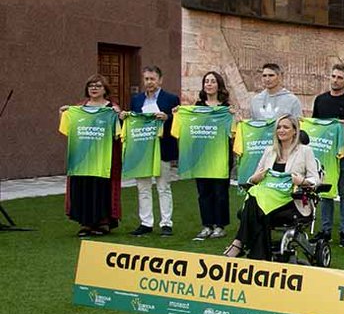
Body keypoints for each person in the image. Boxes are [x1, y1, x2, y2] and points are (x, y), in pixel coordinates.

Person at [223, 114, 321, 260]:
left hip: (290, 198)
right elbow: (254, 178)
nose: (281, 130)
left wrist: (302, 181)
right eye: (279, 127)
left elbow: (315, 180)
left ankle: (239, 243)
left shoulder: (305, 151)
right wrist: (255, 178)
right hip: (266, 197)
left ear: (295, 131)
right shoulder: (270, 151)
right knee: (257, 198)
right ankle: (259, 256)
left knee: (255, 199)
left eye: (286, 127)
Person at [61, 75, 123, 236]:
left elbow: (118, 134)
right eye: (91, 86)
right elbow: (68, 130)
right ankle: (86, 223)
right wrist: (64, 114)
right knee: (83, 188)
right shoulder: (78, 108)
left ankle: (103, 223)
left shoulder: (111, 108)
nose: (94, 88)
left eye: (98, 86)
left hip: (103, 158)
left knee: (101, 188)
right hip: (81, 159)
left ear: (105, 89)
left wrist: (118, 116)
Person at [312, 63, 344, 248]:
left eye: (340, 77)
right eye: (333, 76)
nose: (335, 80)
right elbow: (315, 125)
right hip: (324, 154)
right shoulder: (320, 100)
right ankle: (325, 230)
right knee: (325, 192)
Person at [125, 66, 180, 237]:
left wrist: (168, 117)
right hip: (142, 150)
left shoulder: (171, 99)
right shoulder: (136, 100)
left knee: (163, 187)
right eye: (146, 79)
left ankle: (166, 223)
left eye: (152, 79)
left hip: (162, 149)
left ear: (160, 80)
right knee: (143, 187)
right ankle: (146, 223)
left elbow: (179, 121)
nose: (149, 82)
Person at [193, 71, 232, 241]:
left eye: (212, 81)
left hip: (221, 155)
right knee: (204, 192)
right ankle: (207, 225)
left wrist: (234, 115)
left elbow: (232, 131)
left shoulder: (226, 108)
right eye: (206, 81)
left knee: (220, 192)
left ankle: (220, 225)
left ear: (219, 85)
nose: (209, 84)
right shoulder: (197, 107)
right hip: (202, 156)